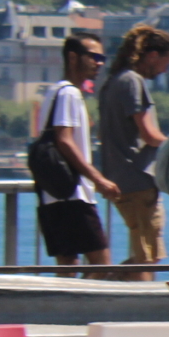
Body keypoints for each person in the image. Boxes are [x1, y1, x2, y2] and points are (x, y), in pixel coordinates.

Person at [94, 24, 169, 275]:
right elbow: (148, 134)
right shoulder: (133, 81)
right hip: (139, 179)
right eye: (167, 62)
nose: (166, 70)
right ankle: (102, 286)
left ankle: (103, 284)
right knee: (149, 256)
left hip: (119, 177)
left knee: (145, 254)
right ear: (152, 56)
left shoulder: (112, 82)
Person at [36, 33, 122, 272]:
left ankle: (64, 309)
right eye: (93, 56)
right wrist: (99, 179)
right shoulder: (70, 94)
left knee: (67, 270)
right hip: (74, 195)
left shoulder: (54, 92)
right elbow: (65, 141)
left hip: (52, 195)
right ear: (73, 58)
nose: (99, 63)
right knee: (102, 267)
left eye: (101, 57)